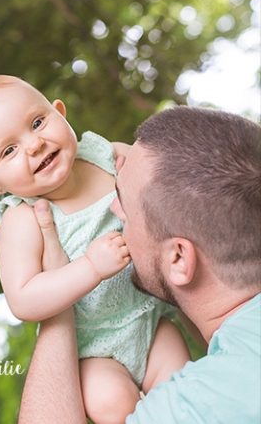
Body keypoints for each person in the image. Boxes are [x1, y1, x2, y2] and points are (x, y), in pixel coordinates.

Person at [0, 75, 191, 423]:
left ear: (60, 113)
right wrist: (90, 268)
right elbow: (24, 299)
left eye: (37, 122)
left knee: (184, 392)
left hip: (149, 321)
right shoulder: (23, 218)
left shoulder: (105, 155)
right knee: (112, 403)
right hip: (94, 350)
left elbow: (164, 183)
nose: (34, 144)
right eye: (9, 150)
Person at [14, 106, 261, 423]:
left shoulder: (207, 403)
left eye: (124, 205)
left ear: (178, 258)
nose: (111, 210)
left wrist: (58, 296)